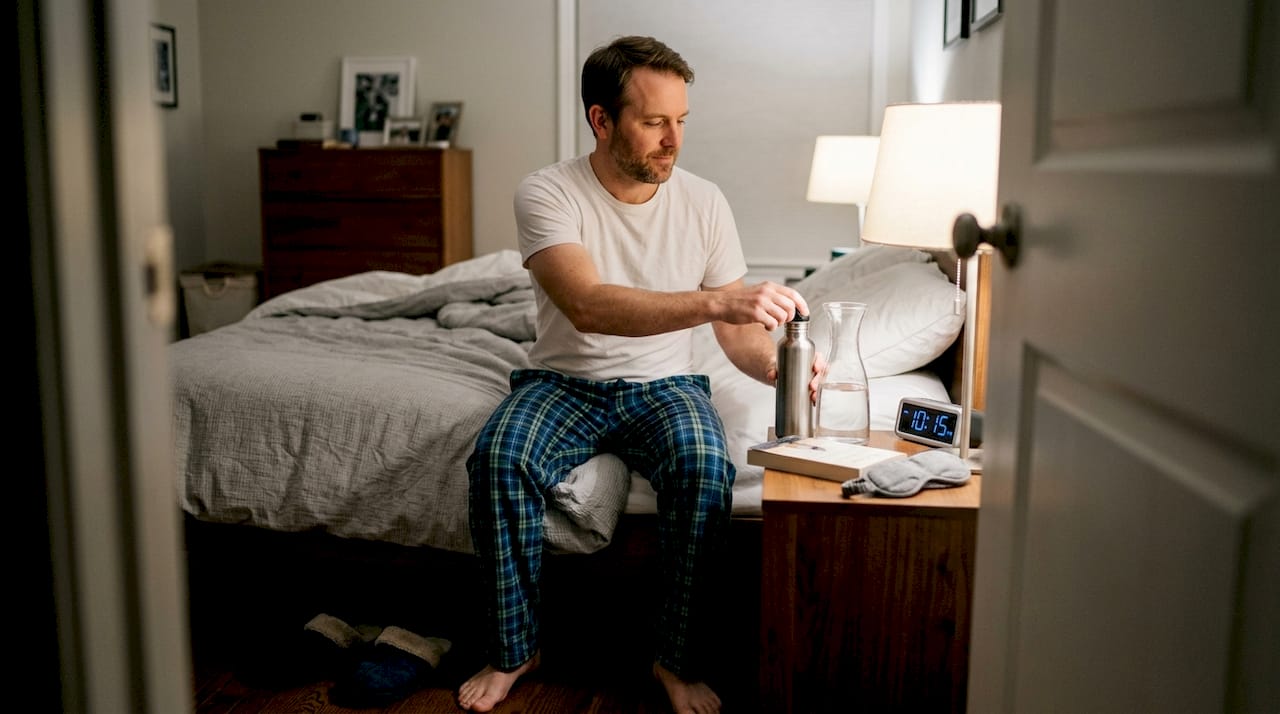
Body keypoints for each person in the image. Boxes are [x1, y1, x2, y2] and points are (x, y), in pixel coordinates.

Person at [458, 35, 820, 714]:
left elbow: (737, 332)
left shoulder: (705, 202)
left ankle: (674, 659)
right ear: (602, 120)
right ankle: (516, 649)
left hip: (666, 388)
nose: (672, 140)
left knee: (704, 467)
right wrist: (719, 299)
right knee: (499, 459)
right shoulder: (546, 192)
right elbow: (589, 306)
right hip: (563, 381)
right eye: (654, 122)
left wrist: (778, 366)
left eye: (681, 121)